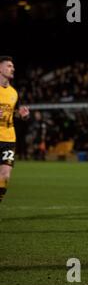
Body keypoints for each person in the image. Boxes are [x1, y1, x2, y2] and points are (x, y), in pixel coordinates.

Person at [0, 56, 30, 203]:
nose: (13, 68)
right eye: (9, 66)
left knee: (5, 176)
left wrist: (22, 115)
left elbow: (13, 113)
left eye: (13, 66)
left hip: (8, 139)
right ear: (0, 68)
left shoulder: (13, 92)